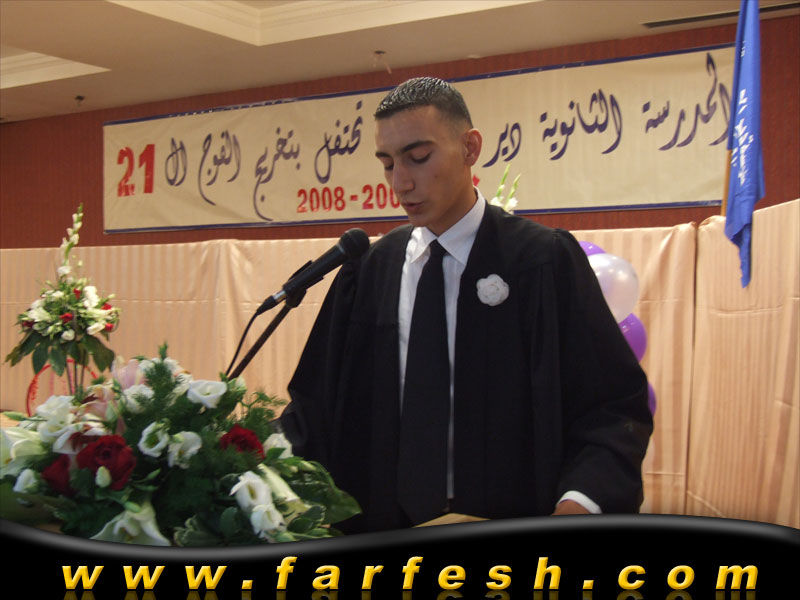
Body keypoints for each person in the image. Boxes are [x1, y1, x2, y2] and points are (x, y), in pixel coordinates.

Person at [282, 76, 653, 533]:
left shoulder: (541, 262)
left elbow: (612, 407)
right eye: (388, 163)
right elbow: (315, 411)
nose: (400, 182)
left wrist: (577, 507)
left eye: (419, 157)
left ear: (470, 148)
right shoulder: (371, 272)